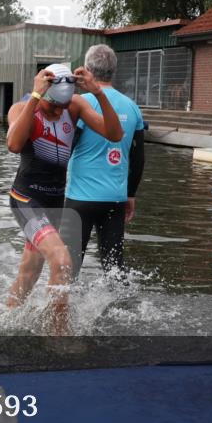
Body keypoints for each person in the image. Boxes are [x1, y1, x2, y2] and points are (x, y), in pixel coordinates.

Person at [5, 62, 123, 334]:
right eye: (53, 106)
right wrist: (35, 99)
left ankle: (7, 320)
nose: (59, 112)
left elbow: (115, 134)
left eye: (63, 106)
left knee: (30, 272)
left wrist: (99, 94)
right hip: (26, 200)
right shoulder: (22, 108)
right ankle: (59, 336)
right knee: (62, 260)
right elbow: (13, 145)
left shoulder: (76, 105)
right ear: (44, 93)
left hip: (55, 202)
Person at [61, 45, 146, 284]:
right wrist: (131, 194)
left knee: (68, 270)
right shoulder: (132, 107)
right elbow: (138, 157)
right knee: (114, 268)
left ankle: (62, 317)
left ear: (87, 70)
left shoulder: (79, 102)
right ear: (114, 71)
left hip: (80, 199)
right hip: (115, 198)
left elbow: (66, 148)